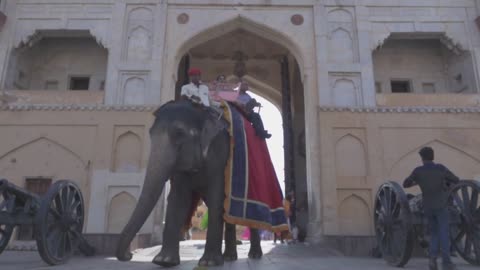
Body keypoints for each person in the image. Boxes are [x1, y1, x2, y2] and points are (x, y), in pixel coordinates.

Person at [403, 147, 459, 270]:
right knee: (444, 233)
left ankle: (432, 261)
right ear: (432, 156)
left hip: (427, 206)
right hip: (441, 205)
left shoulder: (418, 171)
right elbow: (456, 180)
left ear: (422, 158)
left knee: (434, 234)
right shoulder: (441, 168)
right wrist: (446, 184)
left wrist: (416, 182)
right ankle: (446, 262)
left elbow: (405, 184)